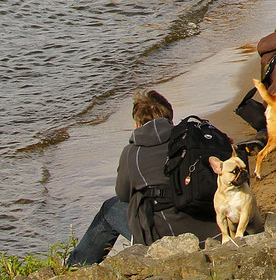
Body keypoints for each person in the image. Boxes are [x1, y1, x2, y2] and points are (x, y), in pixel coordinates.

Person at [66, 91, 219, 267]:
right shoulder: (192, 139)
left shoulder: (132, 153)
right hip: (213, 228)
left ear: (137, 124)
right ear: (170, 117)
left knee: (110, 208)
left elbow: (123, 195)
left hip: (164, 235)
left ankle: (75, 267)